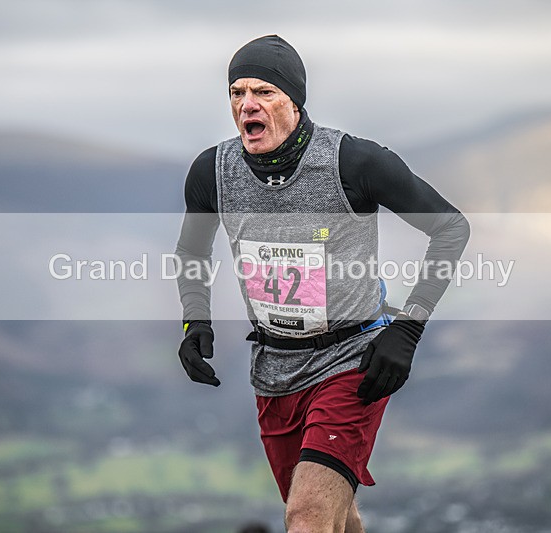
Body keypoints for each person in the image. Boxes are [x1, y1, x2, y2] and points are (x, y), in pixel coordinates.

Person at [175, 35, 469, 532]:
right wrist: (193, 319)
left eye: (264, 92)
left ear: (294, 100)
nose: (247, 104)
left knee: (307, 516)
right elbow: (191, 249)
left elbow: (450, 228)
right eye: (237, 92)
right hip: (274, 370)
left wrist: (408, 330)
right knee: (334, 517)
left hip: (352, 362)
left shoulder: (354, 163)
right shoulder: (214, 171)